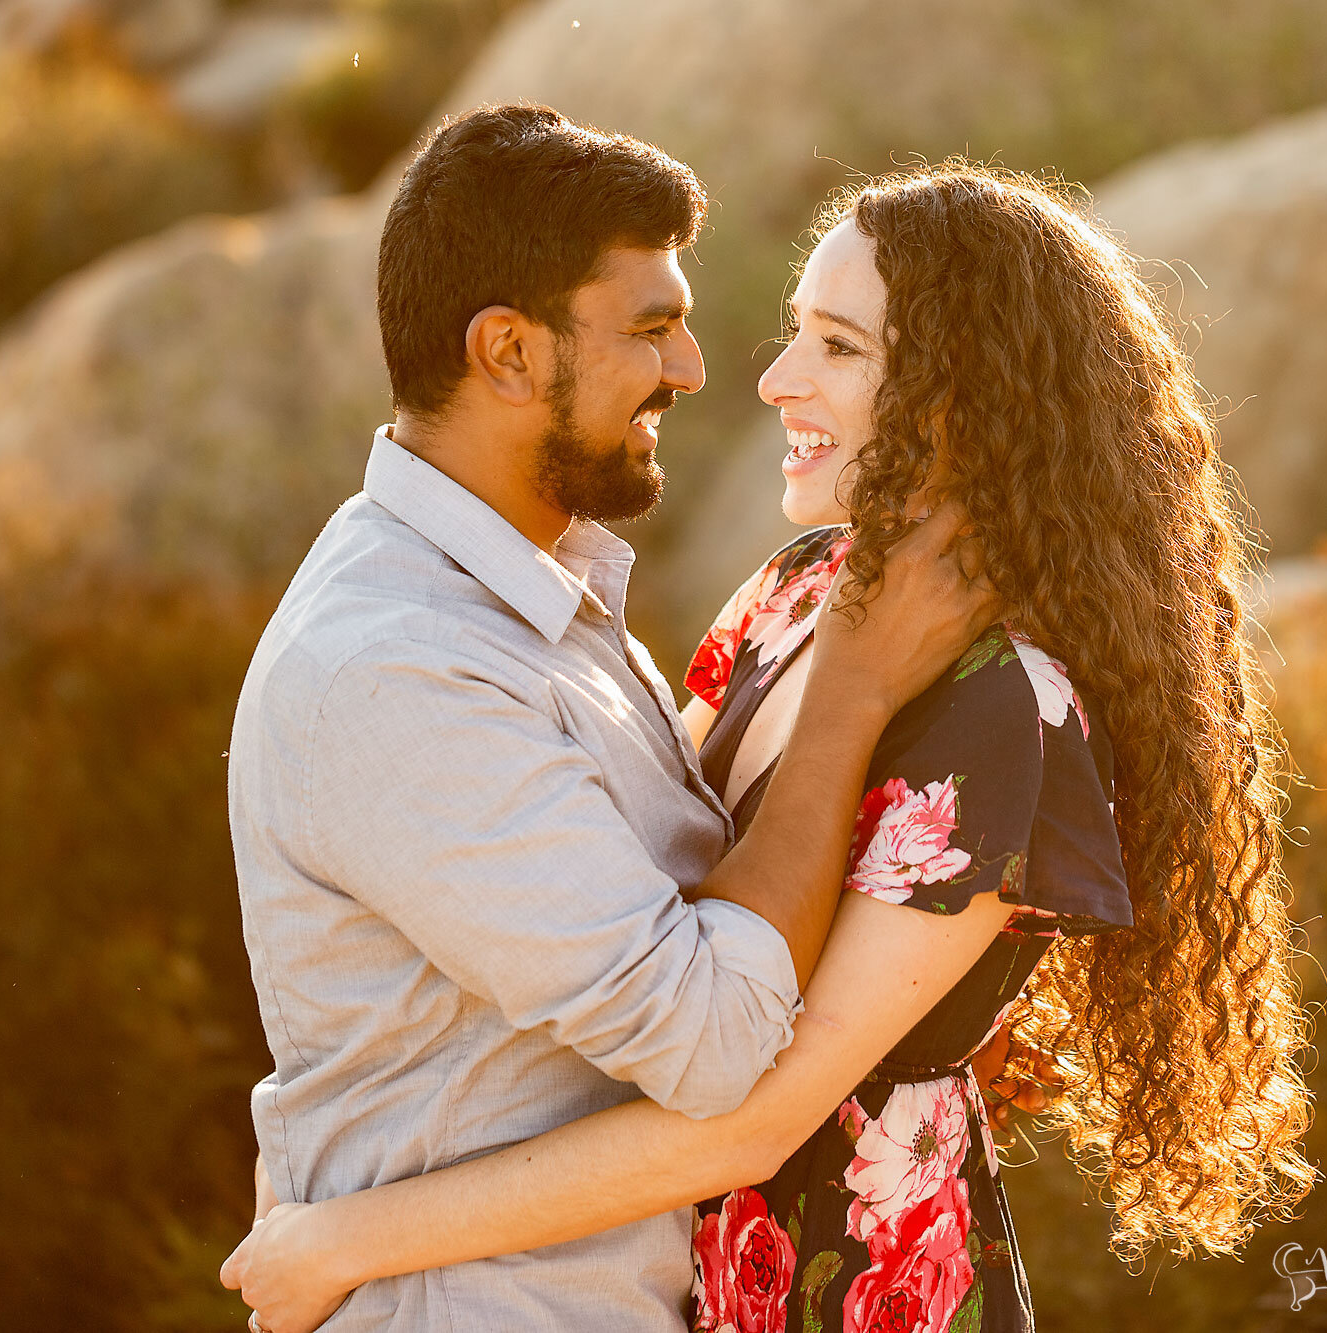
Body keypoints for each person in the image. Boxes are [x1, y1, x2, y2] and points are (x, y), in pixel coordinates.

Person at [223, 163, 1317, 1332]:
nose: (768, 378)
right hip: (669, 1263)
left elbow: (756, 1112)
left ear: (961, 394)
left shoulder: (1008, 711)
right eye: (794, 333)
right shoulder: (792, 598)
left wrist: (342, 1232)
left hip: (844, 1282)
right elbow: (660, 890)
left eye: (837, 348)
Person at [223, 106, 1000, 1333]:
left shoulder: (534, 596)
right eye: (650, 329)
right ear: (509, 354)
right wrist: (848, 694)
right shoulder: (400, 668)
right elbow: (716, 1038)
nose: (692, 369)